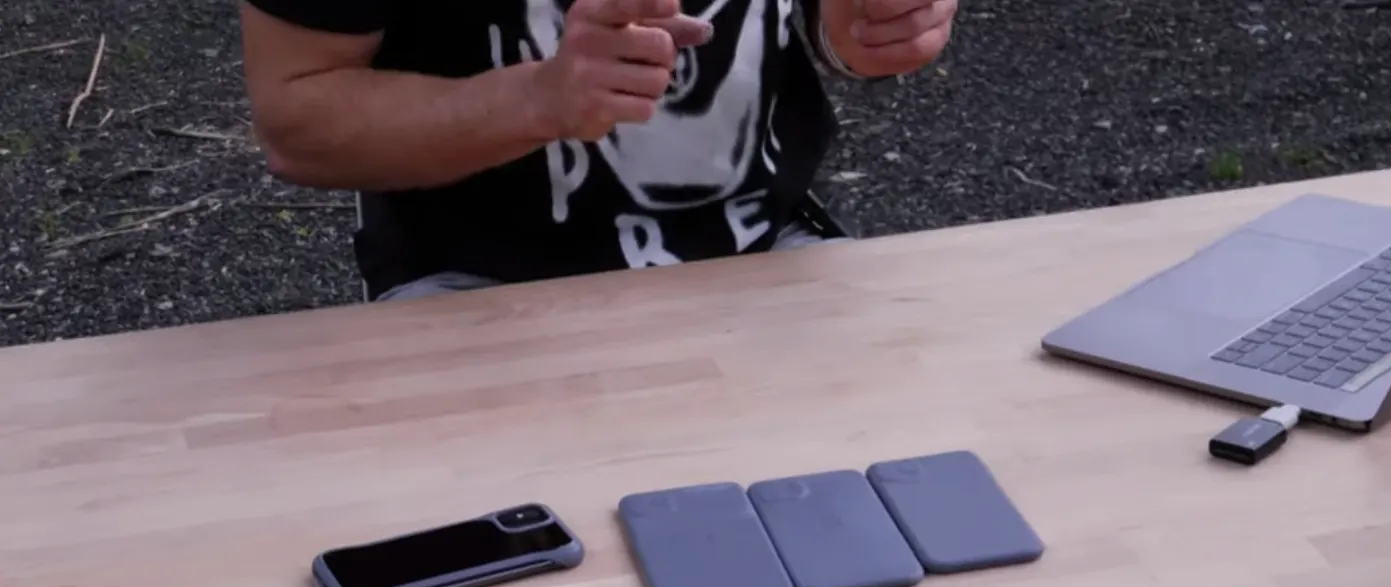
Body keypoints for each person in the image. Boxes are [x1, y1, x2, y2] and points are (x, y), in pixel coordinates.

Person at [238, 0, 958, 302]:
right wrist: (534, 101)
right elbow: (298, 118)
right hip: (476, 283)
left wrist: (873, 29)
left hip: (762, 248)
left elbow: (831, 26)